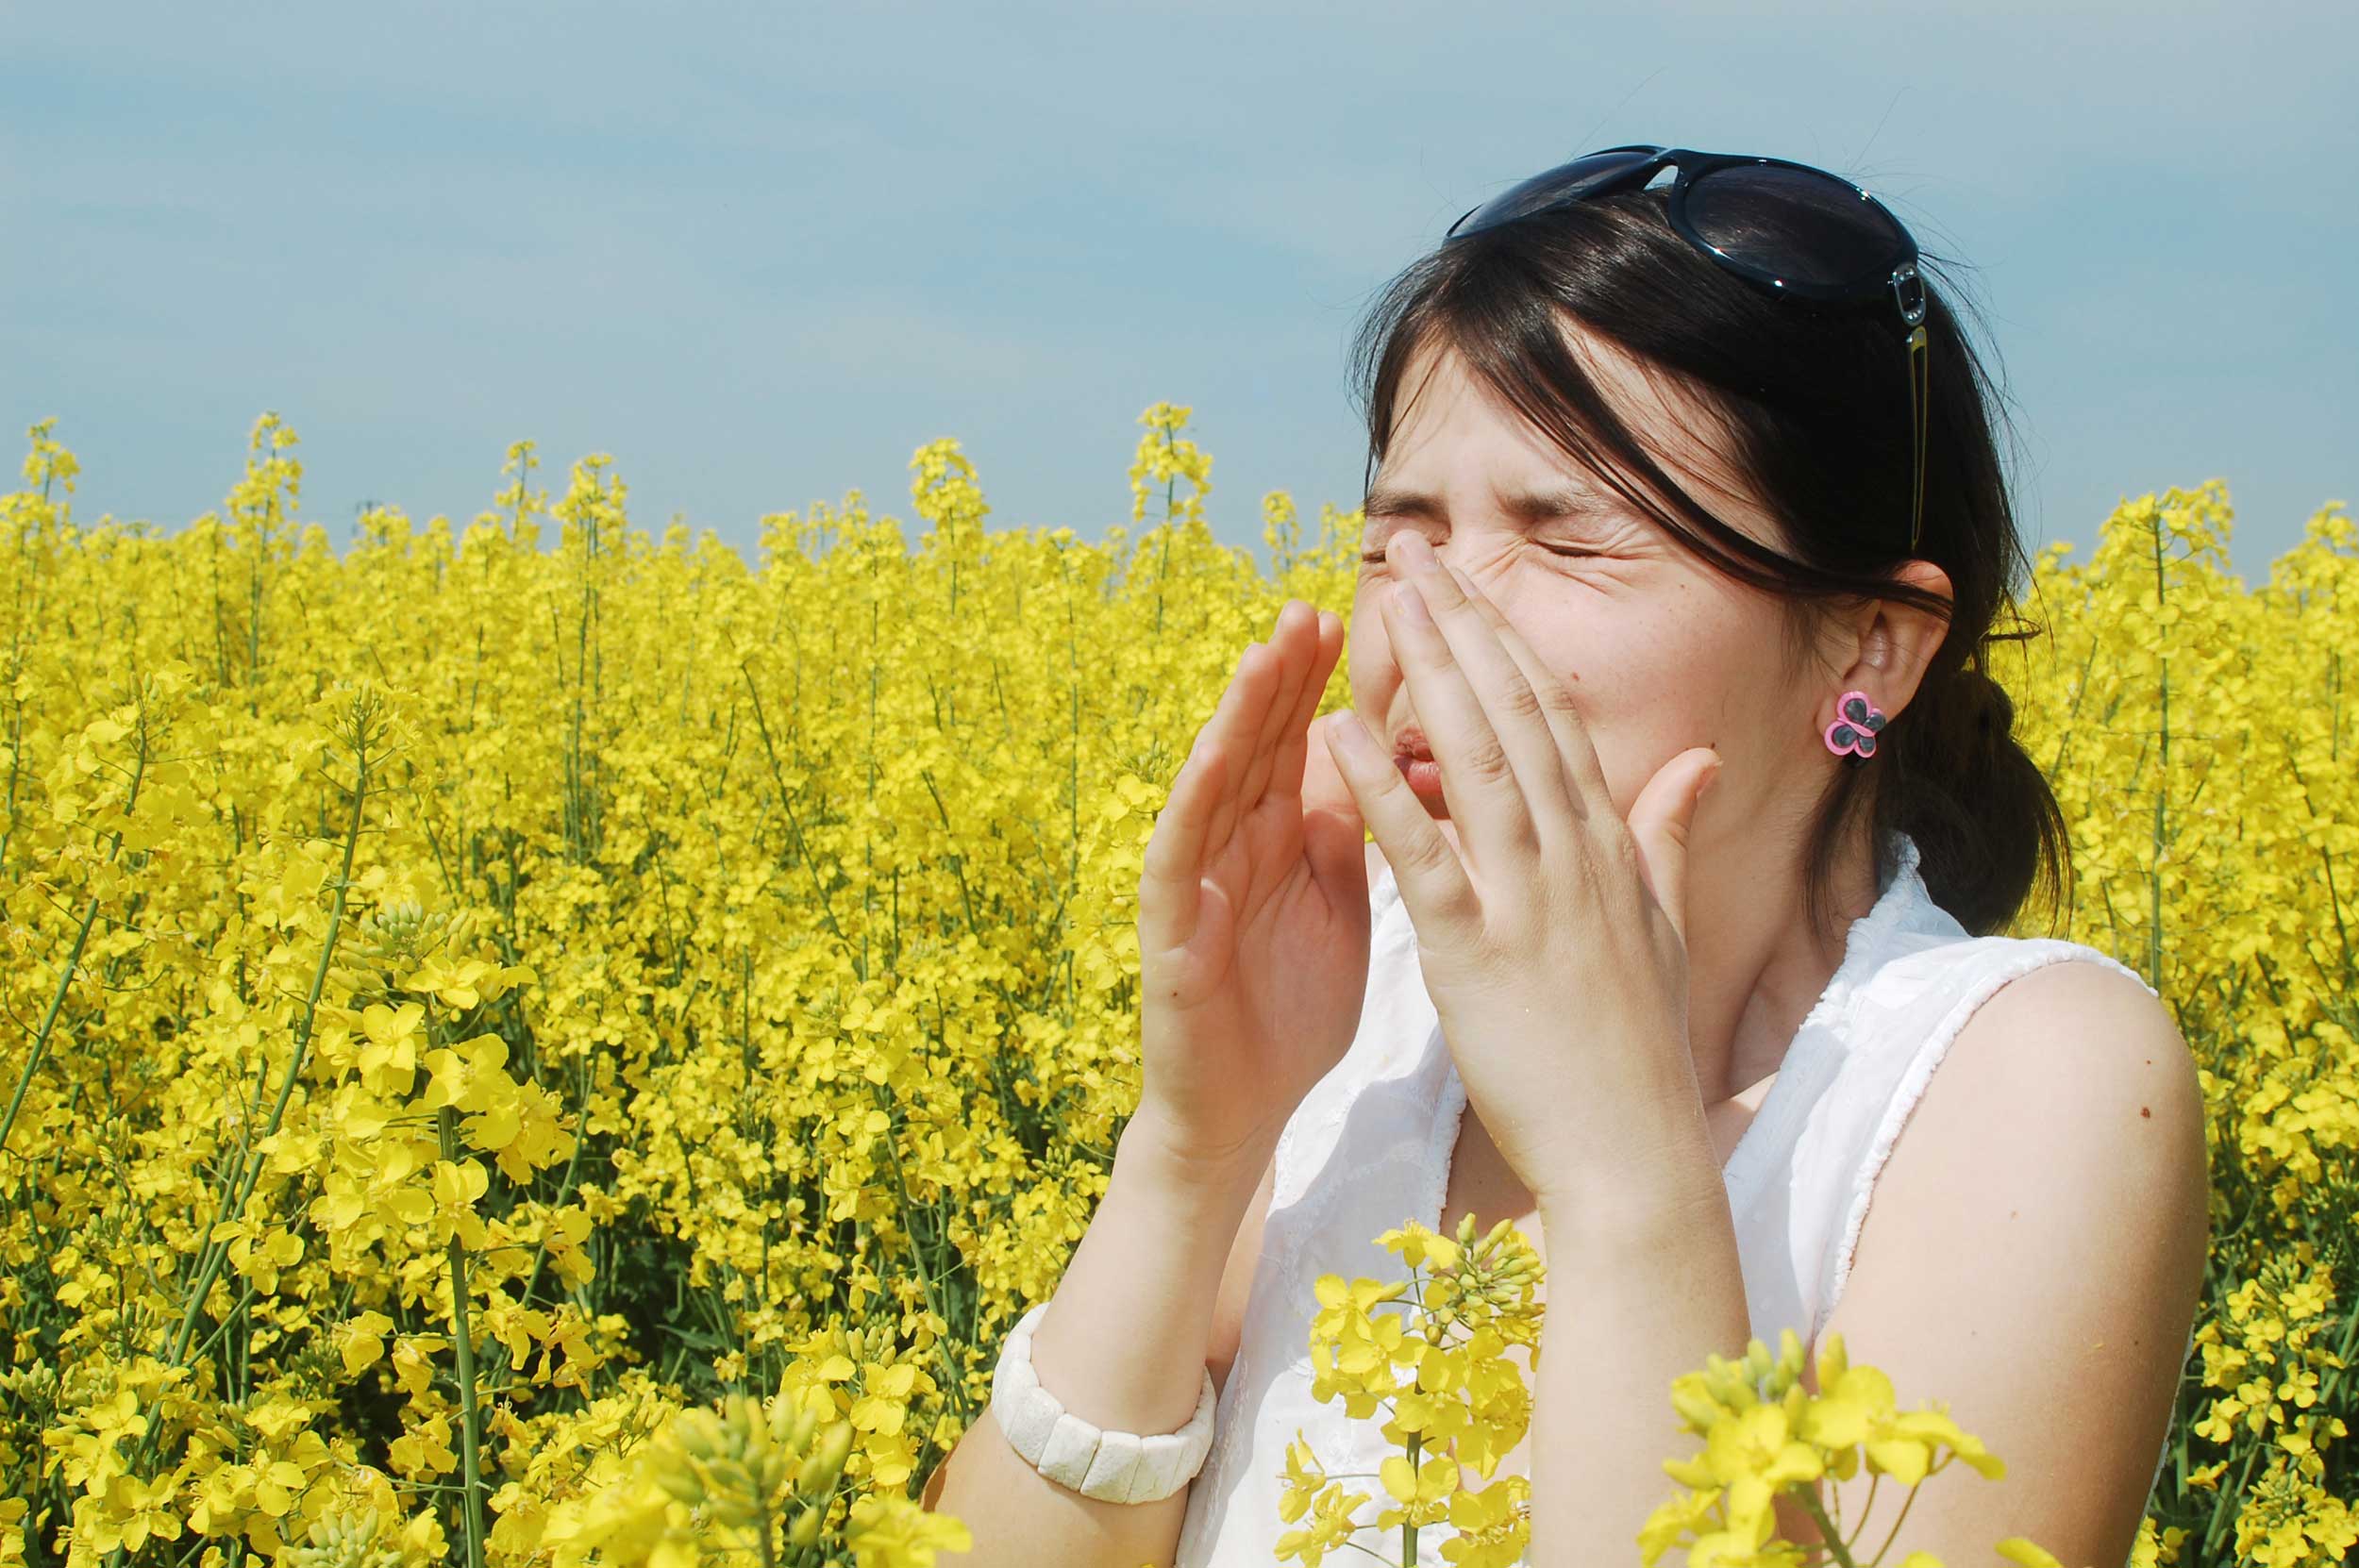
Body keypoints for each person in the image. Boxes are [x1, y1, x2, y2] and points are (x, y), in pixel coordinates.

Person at [924, 145, 2209, 1567]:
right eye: (1395, 540)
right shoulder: (1371, 1025)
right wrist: (1191, 1150)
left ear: (1869, 648)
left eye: (1568, 539)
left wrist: (1622, 1172)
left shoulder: (2031, 1076)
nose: (1431, 619)